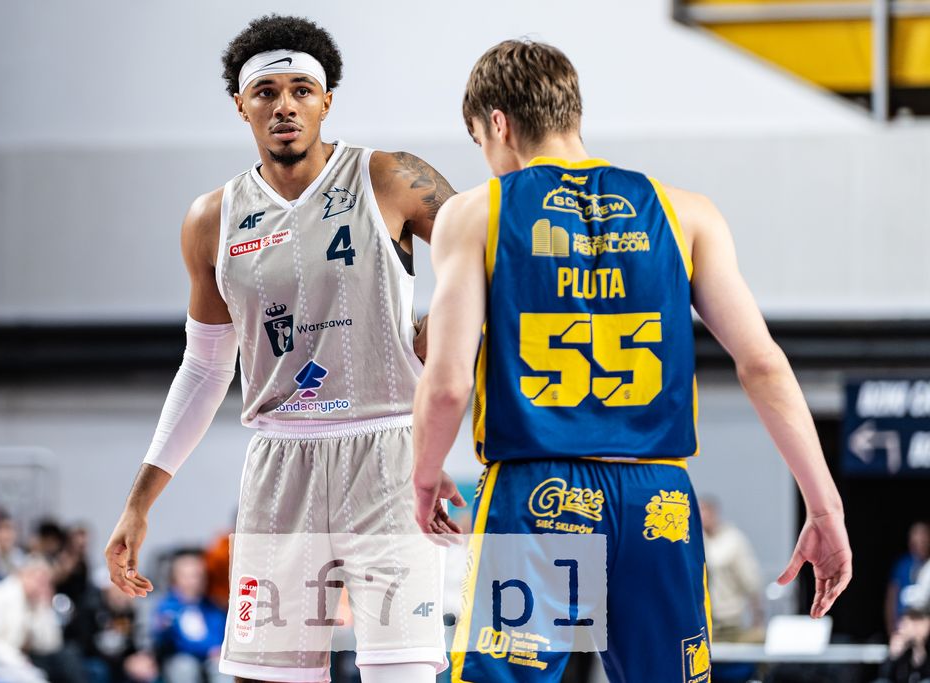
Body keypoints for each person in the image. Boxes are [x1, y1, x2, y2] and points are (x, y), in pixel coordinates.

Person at [411, 39, 852, 683]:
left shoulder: (477, 212)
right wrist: (825, 507)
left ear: (497, 124)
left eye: (480, 141)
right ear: (571, 114)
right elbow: (763, 364)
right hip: (657, 497)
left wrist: (424, 477)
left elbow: (448, 384)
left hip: (537, 494)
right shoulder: (686, 212)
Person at [103, 14, 456, 683]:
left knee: (402, 673)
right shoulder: (212, 218)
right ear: (242, 105)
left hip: (387, 451)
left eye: (301, 90)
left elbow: (486, 257)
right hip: (279, 461)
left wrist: (439, 337)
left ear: (327, 101)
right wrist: (139, 501)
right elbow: (205, 367)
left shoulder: (389, 176)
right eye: (266, 92)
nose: (285, 105)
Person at [0, 556, 69, 683]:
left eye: (47, 583)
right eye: (41, 581)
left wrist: (45, 608)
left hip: (11, 662)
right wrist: (20, 662)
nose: (43, 587)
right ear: (26, 575)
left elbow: (50, 645)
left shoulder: (32, 603)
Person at [152, 549, 228, 683]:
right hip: (181, 658)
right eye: (186, 576)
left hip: (211, 658)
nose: (193, 581)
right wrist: (209, 650)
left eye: (197, 576)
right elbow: (178, 640)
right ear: (174, 579)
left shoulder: (212, 606)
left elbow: (219, 633)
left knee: (223, 668)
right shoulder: (168, 608)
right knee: (185, 667)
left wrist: (218, 650)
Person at [699, 496, 763, 641]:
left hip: (728, 622)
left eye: (703, 510)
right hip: (701, 621)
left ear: (713, 512)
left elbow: (750, 581)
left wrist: (757, 620)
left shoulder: (733, 540)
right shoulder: (695, 540)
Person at [887, 521, 930, 634]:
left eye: (924, 536)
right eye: (916, 536)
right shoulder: (903, 564)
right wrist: (892, 628)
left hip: (924, 621)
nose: (920, 540)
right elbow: (891, 597)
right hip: (904, 622)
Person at [875, 607, 930, 683]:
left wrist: (920, 648)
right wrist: (893, 655)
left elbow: (925, 673)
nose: (902, 627)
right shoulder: (902, 645)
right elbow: (885, 676)